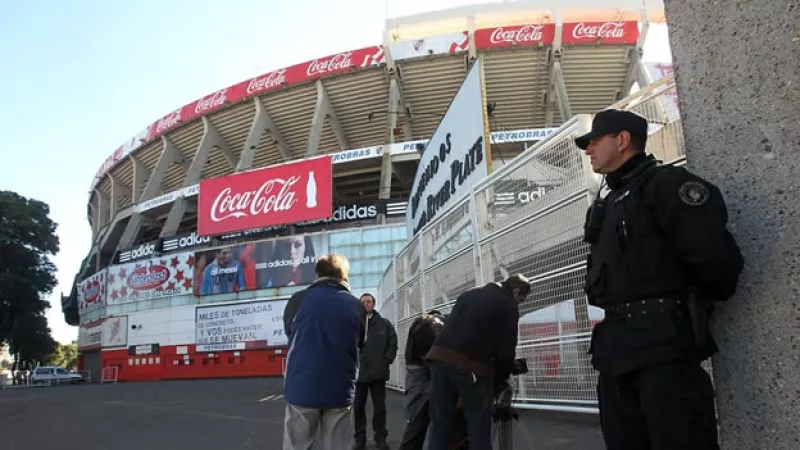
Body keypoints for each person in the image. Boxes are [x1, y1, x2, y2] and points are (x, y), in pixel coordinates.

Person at [576, 108, 744, 449]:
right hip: (617, 355)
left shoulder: (666, 185)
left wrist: (685, 307)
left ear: (622, 140)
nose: (588, 149)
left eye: (594, 141)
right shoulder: (608, 203)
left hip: (664, 350)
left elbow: (716, 259)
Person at [425, 274, 531, 450]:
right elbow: (506, 349)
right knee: (478, 428)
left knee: (440, 426)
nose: (519, 304)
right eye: (521, 299)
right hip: (471, 368)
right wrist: (503, 375)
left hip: (438, 360)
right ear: (516, 291)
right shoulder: (508, 306)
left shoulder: (469, 294)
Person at [282, 254, 367, 450]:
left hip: (302, 385)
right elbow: (362, 341)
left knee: (296, 446)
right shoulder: (356, 305)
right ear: (344, 275)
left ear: (317, 273)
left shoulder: (298, 300)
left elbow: (290, 332)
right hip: (340, 388)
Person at [353, 293, 398, 450]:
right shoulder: (354, 324)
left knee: (380, 408)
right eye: (363, 302)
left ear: (374, 304)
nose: (366, 304)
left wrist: (387, 361)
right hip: (359, 374)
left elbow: (393, 343)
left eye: (369, 301)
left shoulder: (384, 324)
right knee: (358, 408)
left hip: (378, 373)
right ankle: (360, 439)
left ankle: (381, 438)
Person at [399, 310, 446, 450]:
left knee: (418, 413)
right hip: (421, 368)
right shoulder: (433, 327)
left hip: (418, 368)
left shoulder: (426, 326)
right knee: (420, 413)